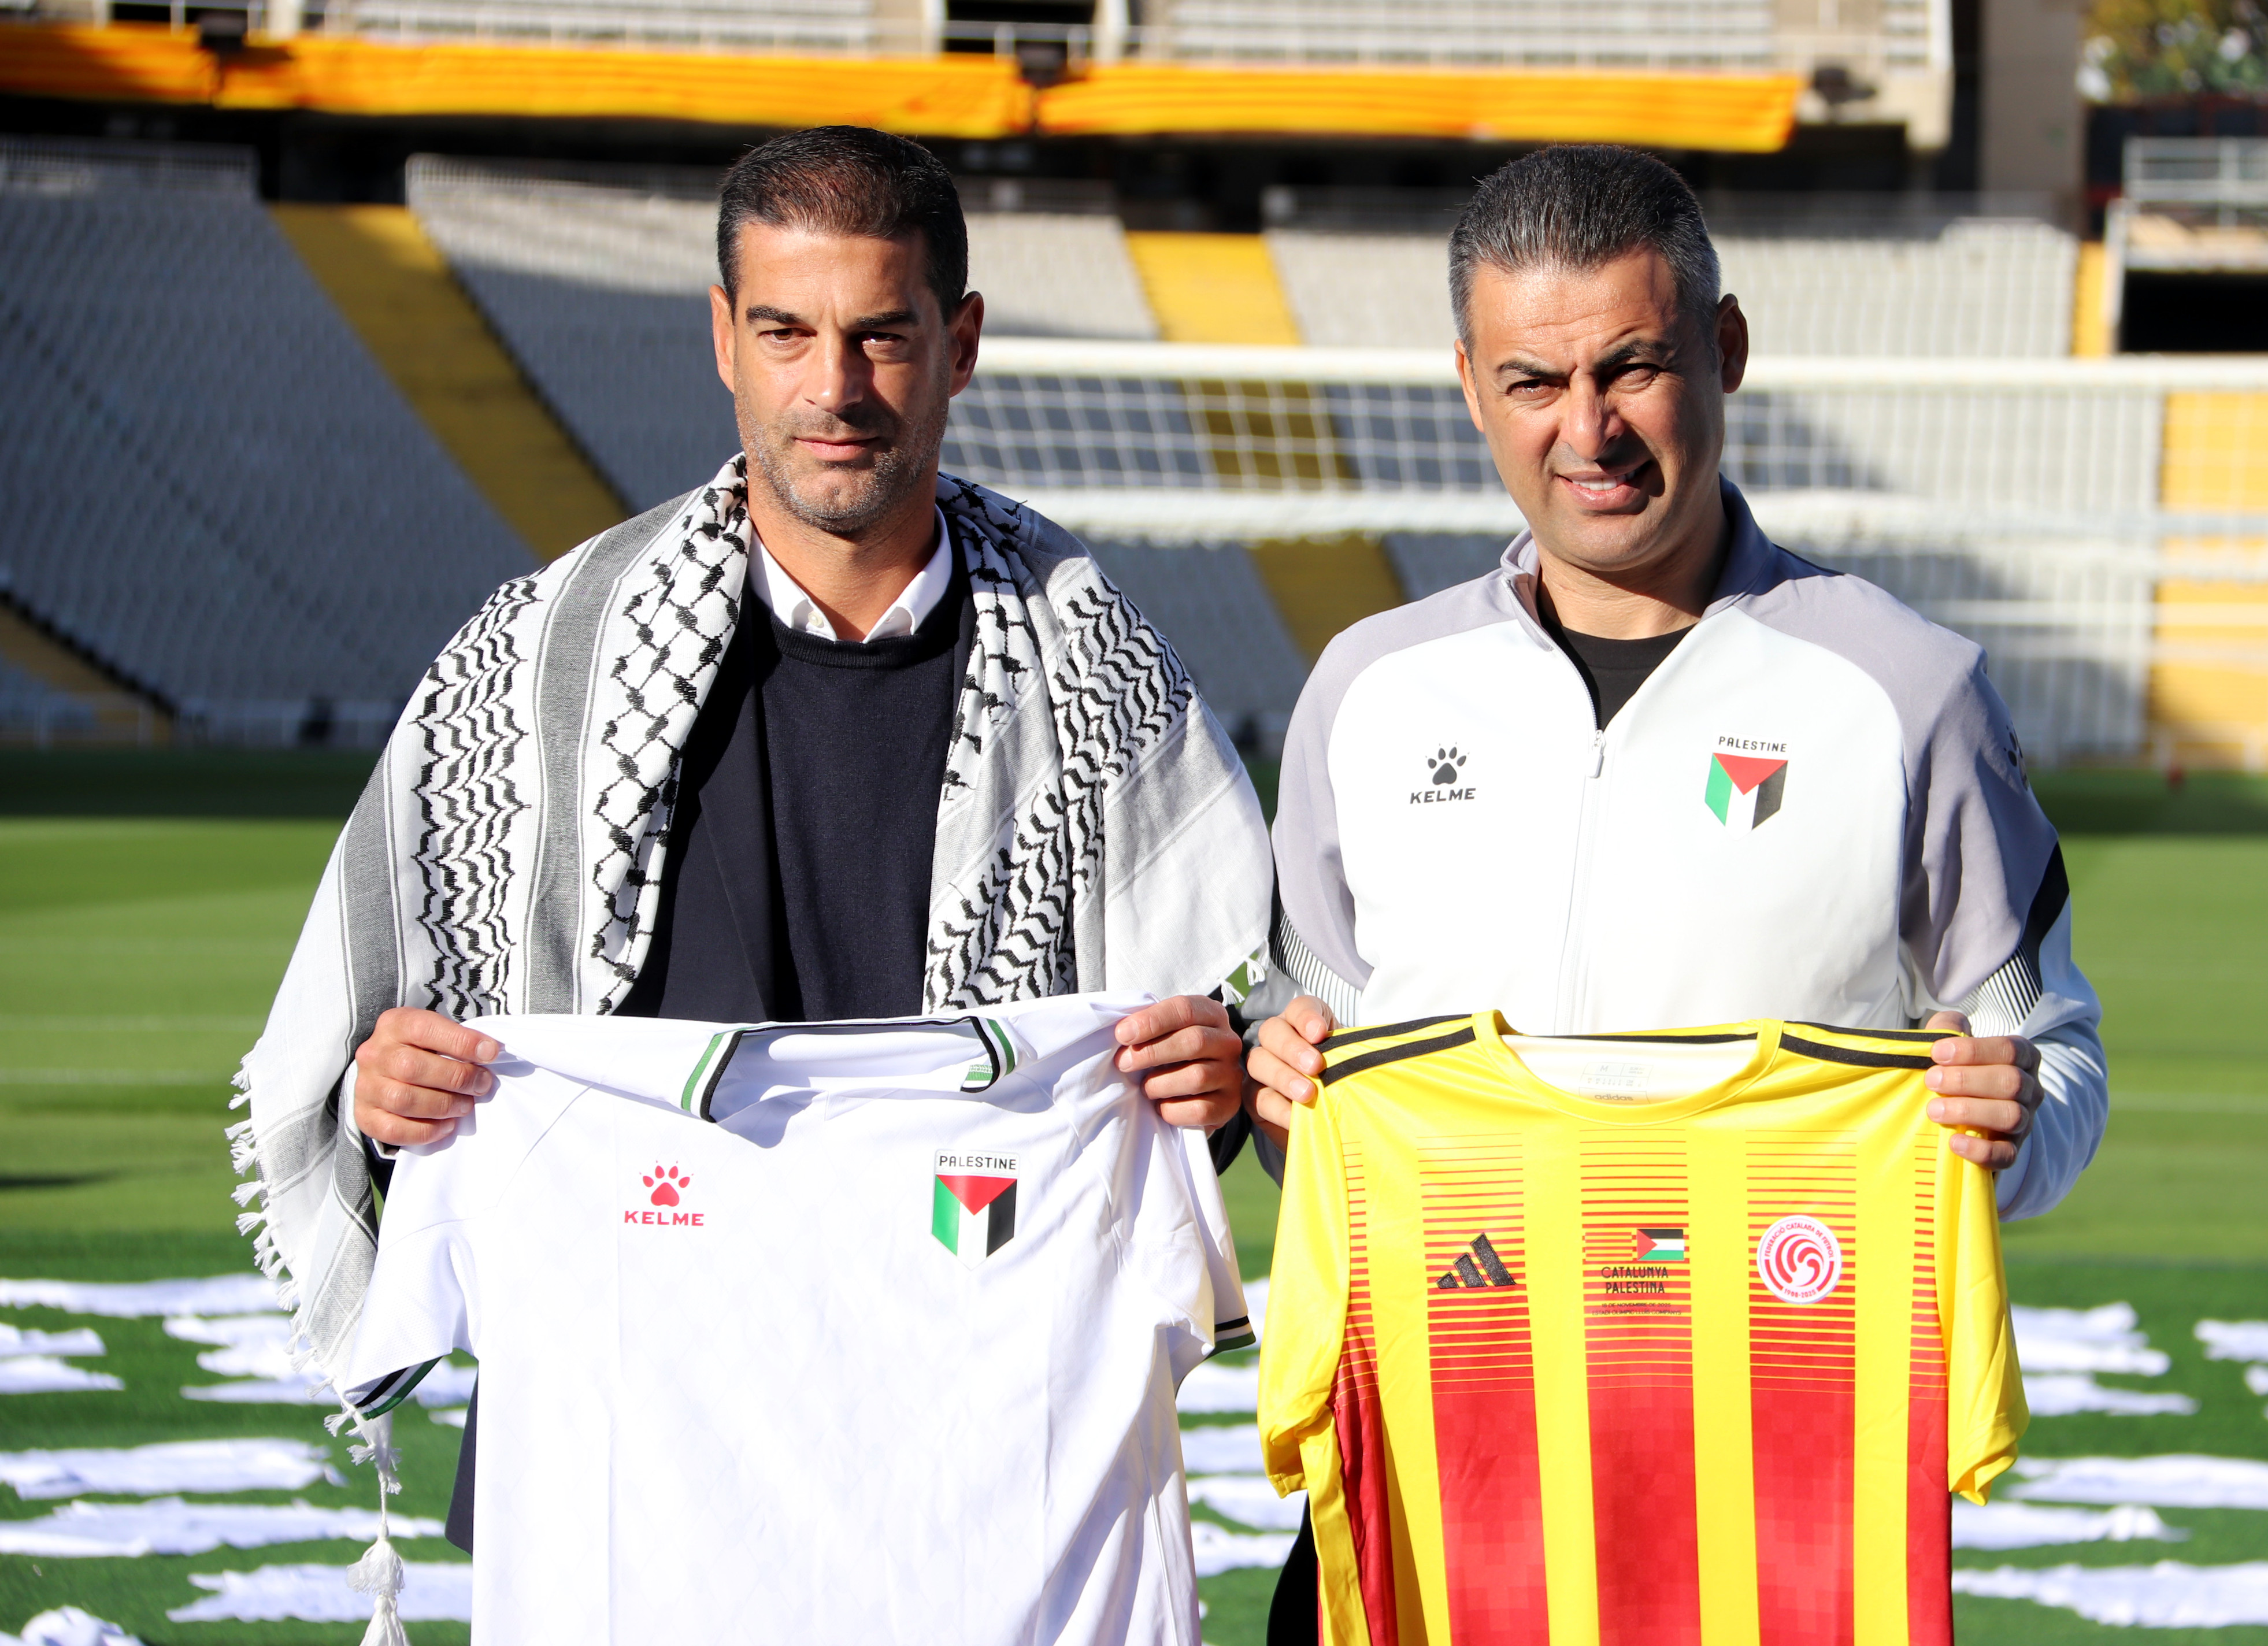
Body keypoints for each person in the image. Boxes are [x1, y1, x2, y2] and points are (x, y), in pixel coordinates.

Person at [234, 127, 1270, 1551]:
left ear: (960, 343)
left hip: (968, 1428)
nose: (831, 388)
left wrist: (1209, 1079)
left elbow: (1218, 1039)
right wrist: (386, 1092)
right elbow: (371, 1054)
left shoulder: (1101, 672)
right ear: (723, 339)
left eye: (881, 335)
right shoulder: (545, 664)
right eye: (784, 330)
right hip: (624, 1418)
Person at [1239, 144, 2108, 1636]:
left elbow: (2065, 1059)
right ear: (1470, 386)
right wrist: (1277, 1082)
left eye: (1631, 368)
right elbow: (1301, 1050)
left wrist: (2014, 1122)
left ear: (1725, 351)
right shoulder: (1366, 695)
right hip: (1447, 1503)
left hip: (1770, 1506)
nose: (1588, 431)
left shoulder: (1904, 690)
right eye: (1532, 383)